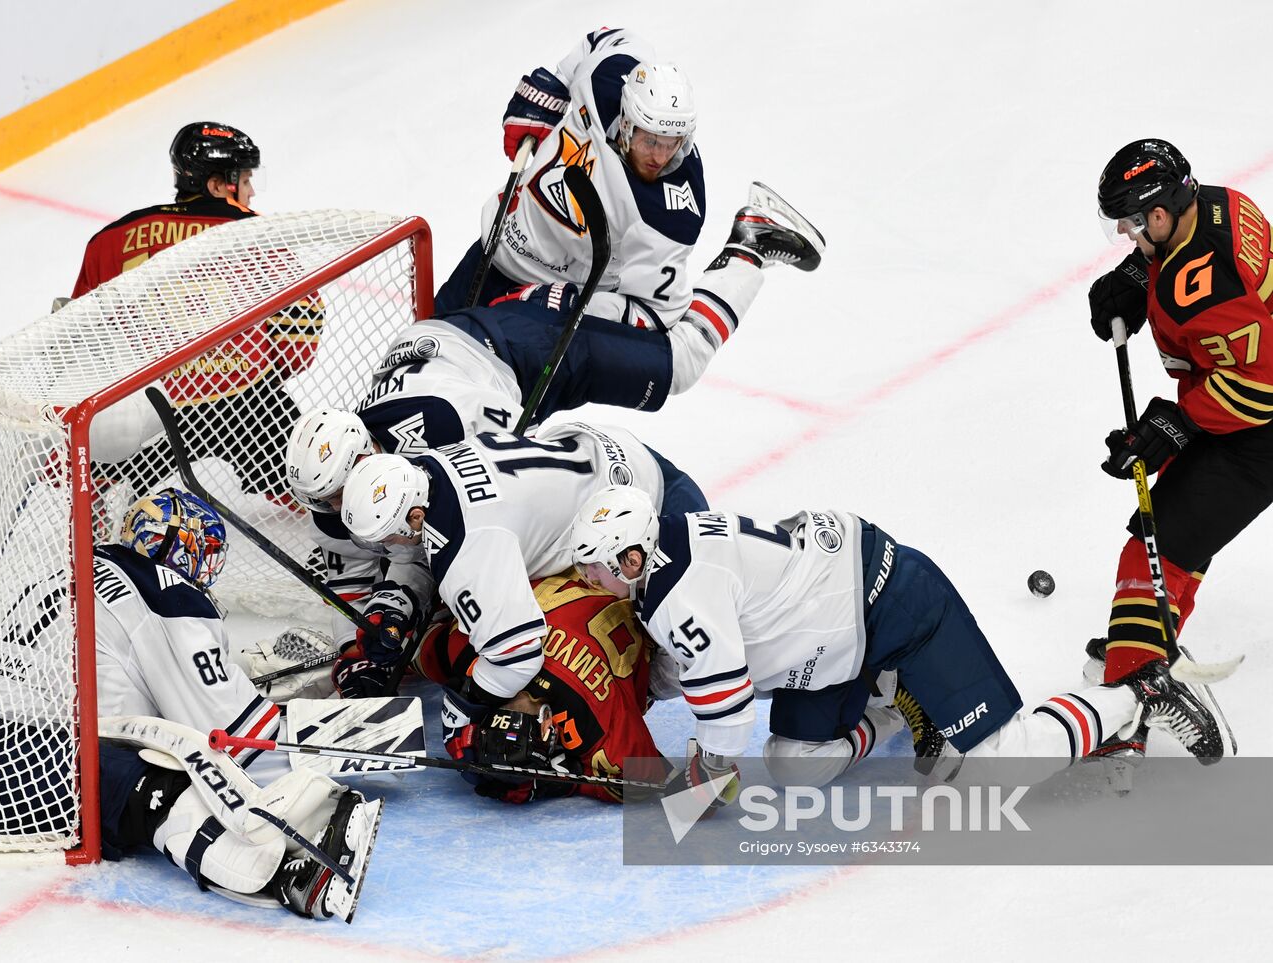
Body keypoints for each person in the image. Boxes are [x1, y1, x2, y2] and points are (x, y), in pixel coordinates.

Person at [566, 487, 1223, 805]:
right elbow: (693, 668)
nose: (589, 579)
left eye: (595, 565)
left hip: (893, 604)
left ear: (630, 555)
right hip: (831, 637)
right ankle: (893, 697)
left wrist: (703, 783)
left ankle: (1140, 693)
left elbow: (726, 700)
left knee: (1002, 765)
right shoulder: (667, 549)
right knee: (796, 764)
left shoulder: (676, 594)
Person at [0, 488, 382, 921]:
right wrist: (330, 736)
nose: (206, 570)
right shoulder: (163, 588)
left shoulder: (80, 563)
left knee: (145, 759)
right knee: (168, 787)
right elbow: (239, 738)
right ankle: (292, 876)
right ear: (184, 547)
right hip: (31, 753)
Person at [432, 27, 823, 420]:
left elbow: (655, 314)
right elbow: (601, 39)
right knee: (424, 357)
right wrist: (552, 85)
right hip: (495, 250)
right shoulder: (608, 75)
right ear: (626, 120)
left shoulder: (668, 216)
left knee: (488, 412)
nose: (659, 156)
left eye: (672, 144)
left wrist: (570, 304)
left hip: (547, 312)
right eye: (649, 140)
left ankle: (748, 250)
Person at [335, 424, 708, 741]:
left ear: (416, 516)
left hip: (647, 523)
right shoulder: (427, 466)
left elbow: (518, 657)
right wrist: (398, 604)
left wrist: (463, 706)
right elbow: (422, 546)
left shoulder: (471, 548)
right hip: (617, 457)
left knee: (675, 664)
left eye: (386, 537)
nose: (383, 549)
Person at [1085, 138, 1265, 752]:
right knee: (1178, 539)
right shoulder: (1219, 205)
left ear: (1161, 213)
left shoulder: (1213, 286)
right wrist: (1140, 276)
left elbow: (1263, 389)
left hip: (1255, 433)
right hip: (1237, 410)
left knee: (1153, 546)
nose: (1128, 235)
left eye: (1133, 227)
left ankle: (1128, 704)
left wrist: (1177, 425)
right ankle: (1147, 646)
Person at [72, 121, 325, 508]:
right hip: (249, 406)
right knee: (313, 485)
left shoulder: (111, 239)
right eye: (244, 178)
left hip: (146, 409)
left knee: (108, 450)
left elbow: (77, 342)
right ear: (216, 185)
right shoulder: (259, 234)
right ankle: (303, 497)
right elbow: (298, 343)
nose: (251, 189)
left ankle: (103, 482)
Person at [340, 567, 673, 804]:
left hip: (626, 584)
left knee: (678, 677)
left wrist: (560, 783)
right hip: (599, 565)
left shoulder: (600, 734)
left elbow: (675, 792)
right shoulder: (463, 649)